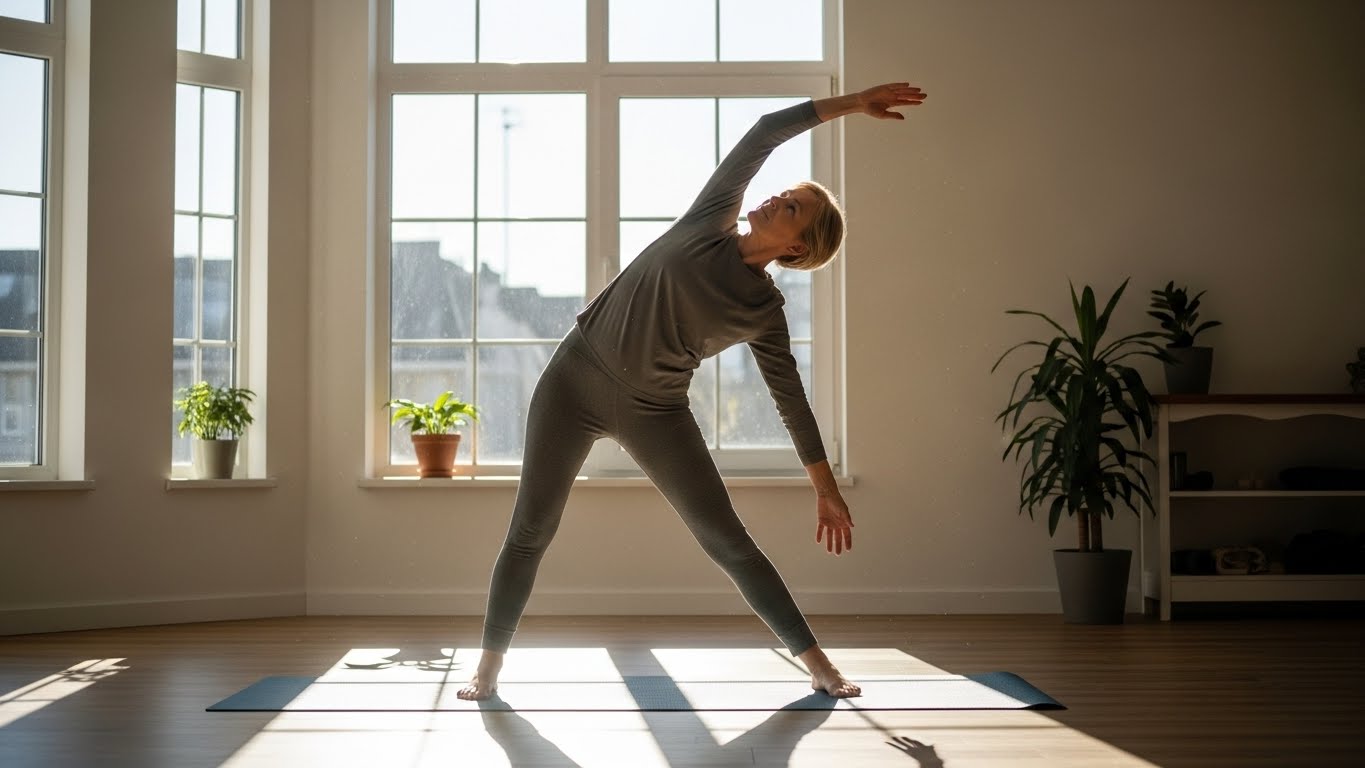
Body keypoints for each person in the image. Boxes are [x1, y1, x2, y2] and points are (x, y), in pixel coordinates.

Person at [457, 82, 928, 701]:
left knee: (727, 540)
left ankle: (819, 664)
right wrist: (853, 102)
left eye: (792, 207)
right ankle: (487, 667)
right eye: (786, 192)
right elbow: (764, 132)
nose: (776, 197)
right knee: (531, 530)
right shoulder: (711, 220)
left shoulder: (764, 310)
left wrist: (824, 489)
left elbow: (790, 400)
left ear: (796, 247)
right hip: (573, 381)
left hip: (655, 411)